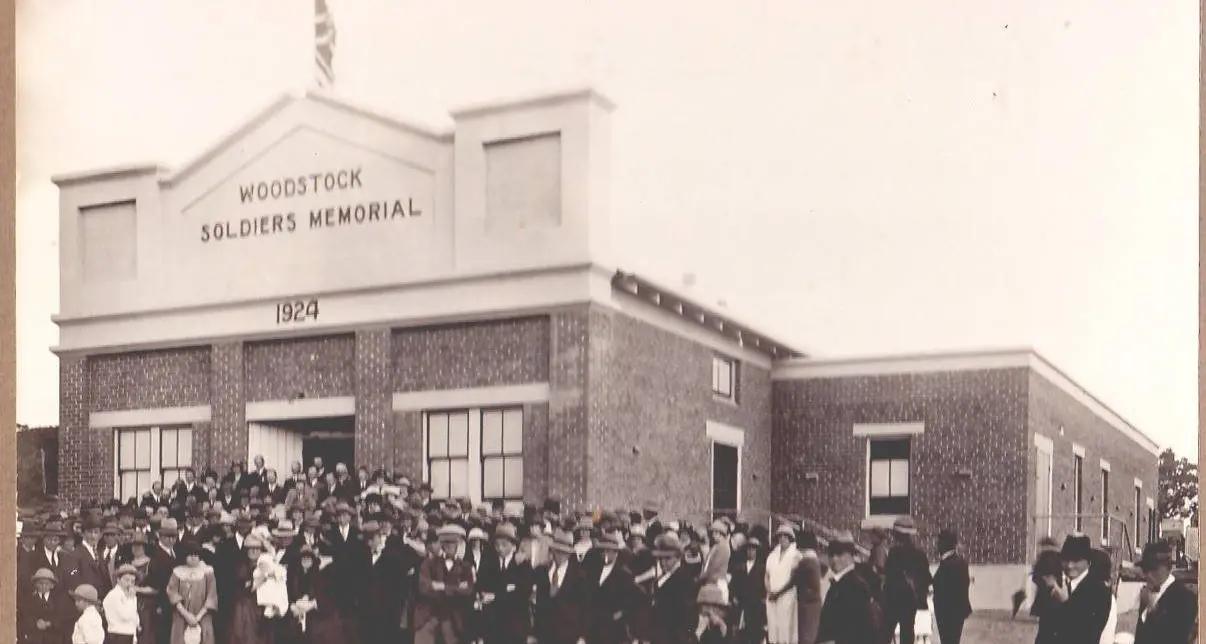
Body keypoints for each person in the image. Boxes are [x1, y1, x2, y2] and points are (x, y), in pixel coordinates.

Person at [1037, 533, 1110, 644]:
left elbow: (1088, 634)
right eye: (1066, 560)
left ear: (1088, 562)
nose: (1069, 565)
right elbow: (1044, 631)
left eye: (1076, 560)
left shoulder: (1099, 590)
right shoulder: (1057, 585)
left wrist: (1065, 603)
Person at [815, 531, 876, 644]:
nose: (834, 559)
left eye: (839, 553)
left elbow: (858, 629)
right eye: (831, 554)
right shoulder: (838, 583)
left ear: (851, 555)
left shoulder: (855, 586)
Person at [880, 517, 931, 644]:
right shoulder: (920, 554)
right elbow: (927, 578)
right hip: (910, 601)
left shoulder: (893, 553)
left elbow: (888, 575)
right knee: (907, 633)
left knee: (885, 634)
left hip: (892, 601)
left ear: (898, 535)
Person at [1134, 541, 1197, 643]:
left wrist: (1151, 609)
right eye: (1145, 569)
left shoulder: (1184, 598)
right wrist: (1143, 609)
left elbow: (1174, 637)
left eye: (1153, 569)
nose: (1147, 574)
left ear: (1168, 568)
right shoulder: (1147, 595)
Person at [166, 540, 219, 644]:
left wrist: (197, 618)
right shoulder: (177, 572)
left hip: (202, 615)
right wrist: (187, 615)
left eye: (196, 554)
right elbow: (172, 593)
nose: (193, 557)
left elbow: (211, 596)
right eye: (190, 554)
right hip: (181, 615)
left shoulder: (207, 572)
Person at [931, 530, 971, 644]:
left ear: (944, 544)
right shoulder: (958, 561)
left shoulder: (949, 563)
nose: (936, 545)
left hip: (948, 611)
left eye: (938, 542)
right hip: (955, 610)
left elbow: (941, 585)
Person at [764, 523, 801, 644]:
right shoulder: (772, 555)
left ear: (790, 538)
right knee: (773, 627)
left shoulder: (796, 555)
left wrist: (779, 593)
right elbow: (767, 575)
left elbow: (793, 579)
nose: (783, 538)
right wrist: (769, 591)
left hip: (787, 596)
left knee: (786, 629)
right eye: (780, 536)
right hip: (771, 597)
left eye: (786, 536)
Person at [19, 567, 71, 644]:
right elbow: (24, 616)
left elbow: (64, 618)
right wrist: (35, 623)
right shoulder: (28, 600)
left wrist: (50, 623)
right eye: (40, 583)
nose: (43, 586)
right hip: (34, 639)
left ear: (52, 585)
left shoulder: (59, 600)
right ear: (35, 584)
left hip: (54, 639)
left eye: (47, 584)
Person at [793, 531, 824, 644]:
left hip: (807, 603)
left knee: (805, 636)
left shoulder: (805, 561)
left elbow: (795, 580)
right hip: (814, 603)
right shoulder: (815, 560)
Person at [104, 564, 142, 644]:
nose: (130, 584)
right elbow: (125, 616)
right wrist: (131, 599)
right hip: (118, 635)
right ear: (118, 580)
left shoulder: (127, 595)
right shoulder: (114, 595)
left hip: (128, 635)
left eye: (132, 581)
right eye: (127, 580)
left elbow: (134, 616)